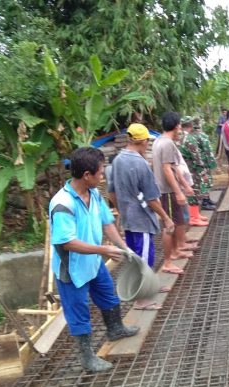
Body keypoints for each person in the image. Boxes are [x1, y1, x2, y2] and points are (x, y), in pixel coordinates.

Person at [50, 147, 139, 372]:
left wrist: (123, 247)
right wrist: (103, 249)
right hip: (72, 268)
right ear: (87, 175)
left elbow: (107, 223)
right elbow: (67, 242)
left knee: (108, 293)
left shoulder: (95, 194)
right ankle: (87, 357)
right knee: (79, 310)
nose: (102, 176)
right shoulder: (63, 203)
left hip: (92, 261)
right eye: (100, 172)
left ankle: (115, 328)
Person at [108, 124, 175, 311]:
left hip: (128, 218)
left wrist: (121, 210)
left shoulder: (118, 160)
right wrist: (166, 217)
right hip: (141, 218)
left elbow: (111, 192)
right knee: (144, 258)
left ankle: (150, 286)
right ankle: (142, 299)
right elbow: (151, 198)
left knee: (137, 256)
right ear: (143, 141)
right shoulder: (140, 164)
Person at [151, 111, 194, 275]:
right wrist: (178, 192)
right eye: (180, 125)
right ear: (176, 126)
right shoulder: (167, 143)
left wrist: (185, 186)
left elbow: (174, 167)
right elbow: (167, 169)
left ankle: (176, 251)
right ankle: (168, 262)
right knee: (169, 225)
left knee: (175, 221)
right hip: (167, 190)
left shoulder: (158, 141)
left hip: (166, 189)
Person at [179, 116, 213, 226]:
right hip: (192, 170)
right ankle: (193, 217)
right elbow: (197, 157)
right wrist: (203, 173)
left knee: (192, 191)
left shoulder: (180, 138)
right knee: (194, 191)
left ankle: (195, 214)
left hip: (184, 168)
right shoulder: (189, 139)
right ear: (191, 125)